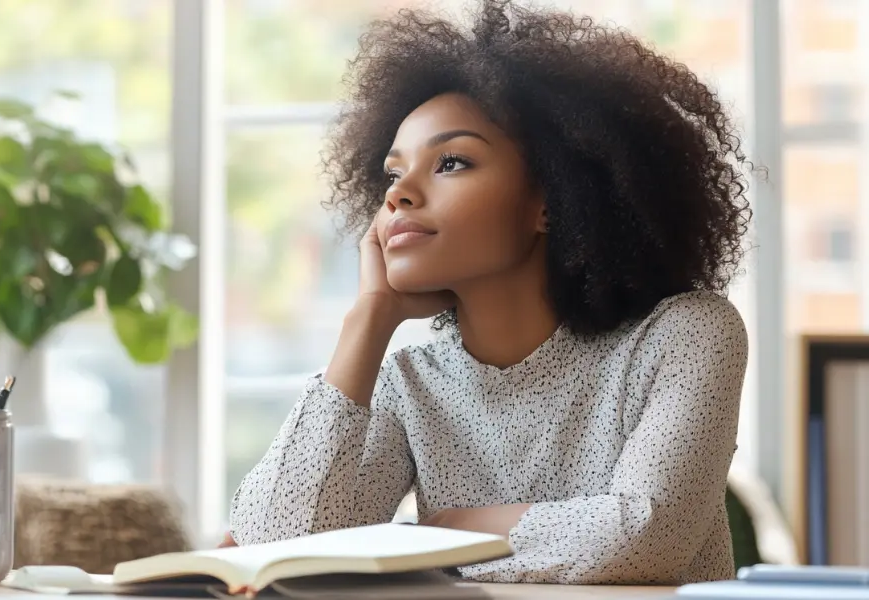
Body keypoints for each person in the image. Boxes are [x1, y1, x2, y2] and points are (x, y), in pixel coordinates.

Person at [223, 0, 753, 586]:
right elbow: (279, 547)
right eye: (393, 174)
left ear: (553, 198)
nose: (399, 195)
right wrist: (369, 320)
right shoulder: (412, 384)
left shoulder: (687, 334)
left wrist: (442, 536)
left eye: (451, 162)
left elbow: (647, 534)